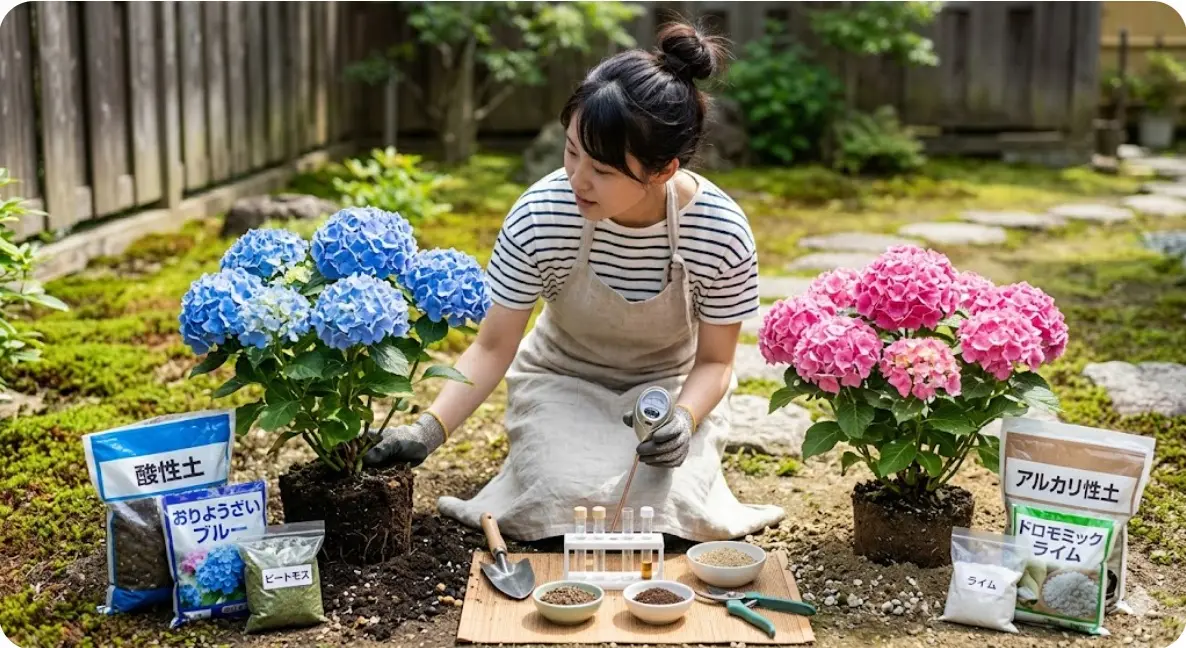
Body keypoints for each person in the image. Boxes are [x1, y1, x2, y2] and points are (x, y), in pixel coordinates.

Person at [364, 20, 785, 542]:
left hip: (667, 391)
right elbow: (494, 346)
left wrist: (684, 419)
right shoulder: (543, 215)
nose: (578, 179)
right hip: (562, 381)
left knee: (665, 510)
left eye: (604, 171)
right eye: (571, 151)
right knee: (561, 498)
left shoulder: (719, 230)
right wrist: (427, 431)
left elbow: (717, 362)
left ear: (663, 169)